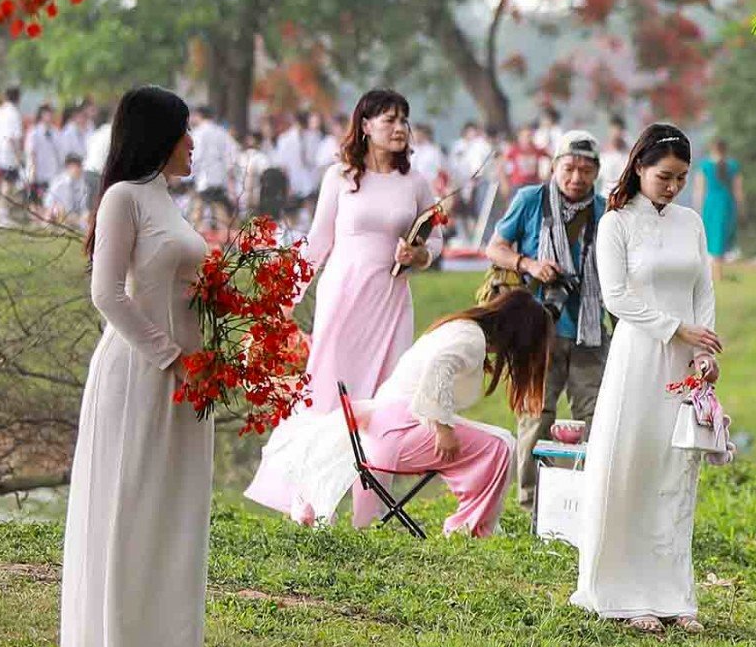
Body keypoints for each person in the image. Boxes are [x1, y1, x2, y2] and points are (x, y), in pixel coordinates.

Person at [58, 86, 214, 647]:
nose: (194, 143)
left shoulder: (169, 203)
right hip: (139, 373)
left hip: (186, 379)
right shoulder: (124, 199)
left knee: (176, 516)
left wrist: (217, 348)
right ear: (159, 134)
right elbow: (107, 293)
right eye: (185, 131)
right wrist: (168, 354)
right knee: (131, 506)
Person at [244, 90, 443, 527]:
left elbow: (436, 239)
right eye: (389, 119)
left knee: (385, 398)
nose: (399, 128)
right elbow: (317, 243)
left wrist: (419, 257)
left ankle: (368, 511)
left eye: (404, 119)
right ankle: (309, 501)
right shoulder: (341, 177)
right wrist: (283, 302)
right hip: (344, 297)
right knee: (328, 395)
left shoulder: (416, 182)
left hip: (391, 299)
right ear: (366, 125)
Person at [575, 123, 722, 632]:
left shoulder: (691, 223)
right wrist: (676, 328)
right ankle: (620, 591)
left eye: (681, 178)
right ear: (639, 167)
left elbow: (703, 287)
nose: (673, 186)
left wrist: (704, 346)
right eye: (664, 176)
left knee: (673, 474)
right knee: (631, 466)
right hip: (639, 356)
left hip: (683, 365)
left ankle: (671, 594)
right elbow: (617, 296)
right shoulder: (616, 223)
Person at [486, 132, 611, 516]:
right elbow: (495, 248)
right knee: (536, 417)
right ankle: (531, 505)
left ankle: (585, 505)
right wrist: (530, 265)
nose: (577, 178)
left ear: (596, 174)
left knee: (595, 418)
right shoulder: (530, 200)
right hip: (539, 331)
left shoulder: (607, 212)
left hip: (590, 331)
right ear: (554, 166)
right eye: (570, 168)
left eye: (586, 170)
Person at [358, 291, 552, 538]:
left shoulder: (463, 328)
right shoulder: (471, 338)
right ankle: (469, 527)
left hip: (387, 425)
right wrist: (443, 428)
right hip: (399, 431)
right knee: (501, 446)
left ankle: (477, 519)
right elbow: (439, 365)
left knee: (501, 440)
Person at [699, 137, 742, 277]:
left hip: (711, 202)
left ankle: (715, 271)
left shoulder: (705, 165)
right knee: (722, 234)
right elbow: (737, 189)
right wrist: (740, 206)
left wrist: (698, 207)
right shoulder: (733, 166)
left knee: (712, 234)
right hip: (726, 202)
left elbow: (699, 189)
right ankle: (717, 271)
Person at [0, 86, 23, 221]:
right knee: (8, 184)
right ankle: (3, 215)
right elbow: (14, 136)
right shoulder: (14, 113)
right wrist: (18, 155)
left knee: (4, 183)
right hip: (8, 152)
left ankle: (2, 212)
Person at [24, 102, 64, 204]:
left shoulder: (56, 132)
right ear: (41, 114)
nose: (50, 116)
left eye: (51, 113)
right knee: (36, 201)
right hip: (38, 173)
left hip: (53, 172)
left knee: (49, 201)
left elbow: (60, 152)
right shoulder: (34, 132)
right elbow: (31, 152)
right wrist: (33, 171)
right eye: (47, 113)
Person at [43, 155, 95, 226]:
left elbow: (83, 206)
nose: (80, 169)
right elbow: (50, 204)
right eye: (78, 166)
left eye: (80, 166)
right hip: (58, 213)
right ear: (70, 167)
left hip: (74, 215)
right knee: (60, 211)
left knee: (88, 215)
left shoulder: (83, 184)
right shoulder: (60, 183)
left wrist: (85, 214)